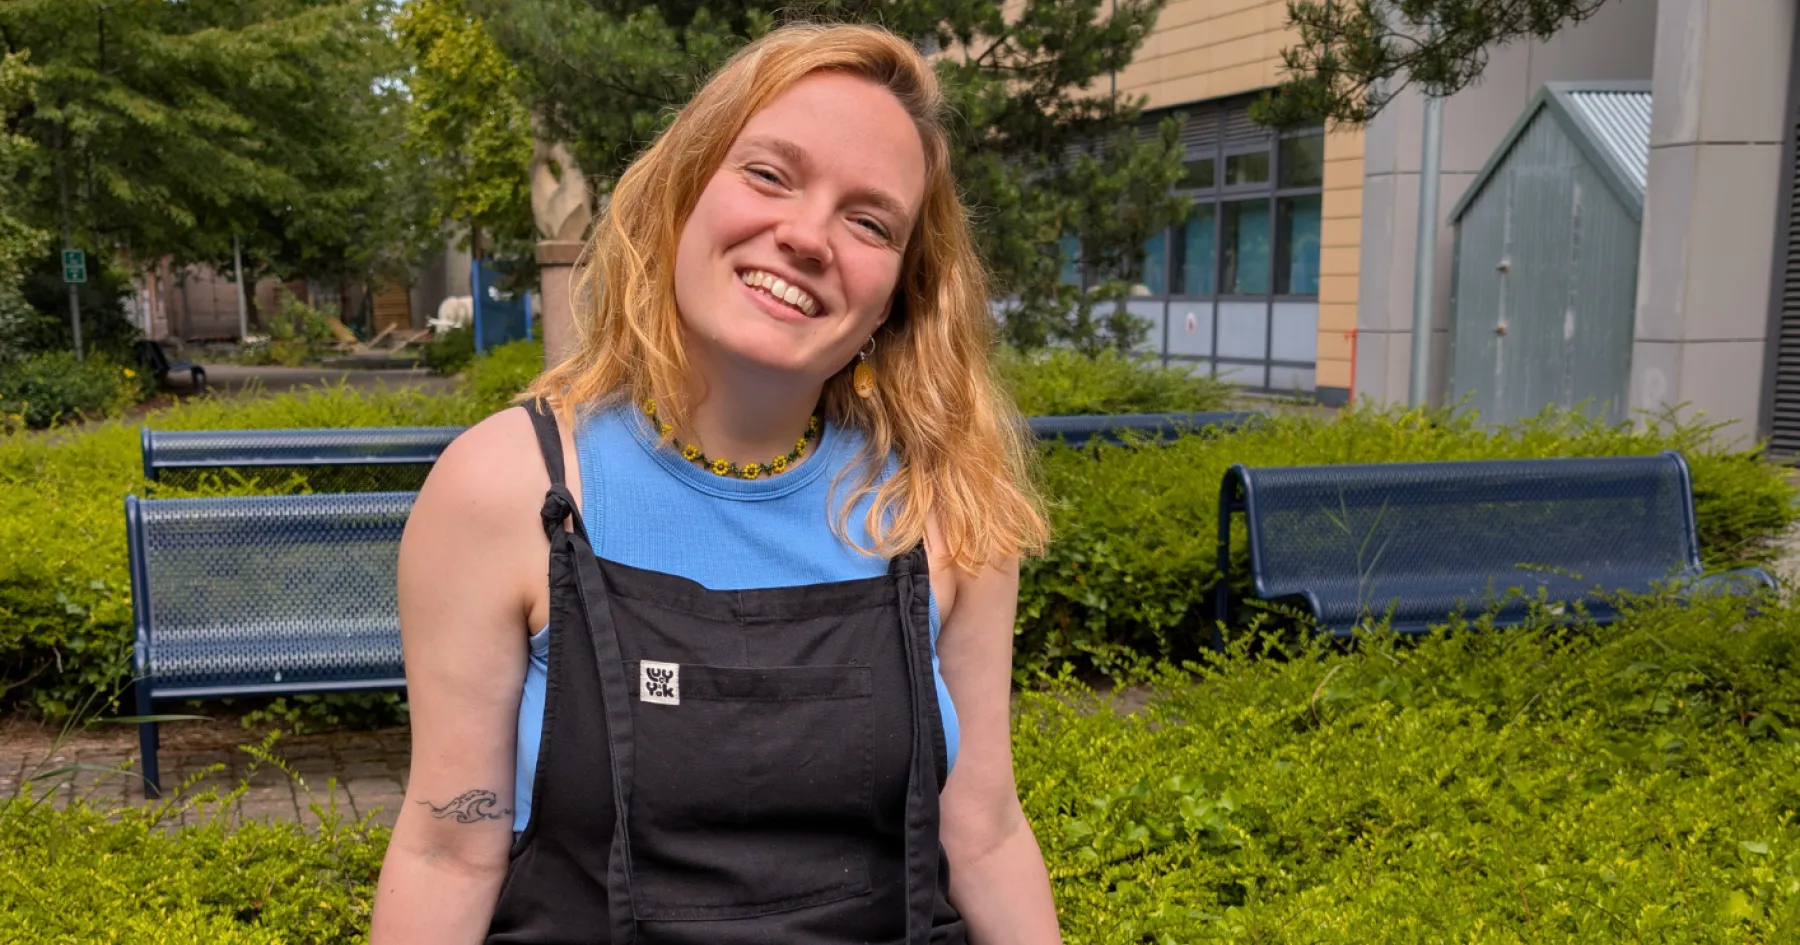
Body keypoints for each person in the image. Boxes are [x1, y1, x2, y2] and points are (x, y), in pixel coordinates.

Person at [371, 22, 1059, 944]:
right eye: (770, 174)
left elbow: (986, 832)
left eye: (869, 221)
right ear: (682, 194)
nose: (808, 236)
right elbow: (447, 850)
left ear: (896, 295)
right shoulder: (504, 489)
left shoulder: (942, 507)